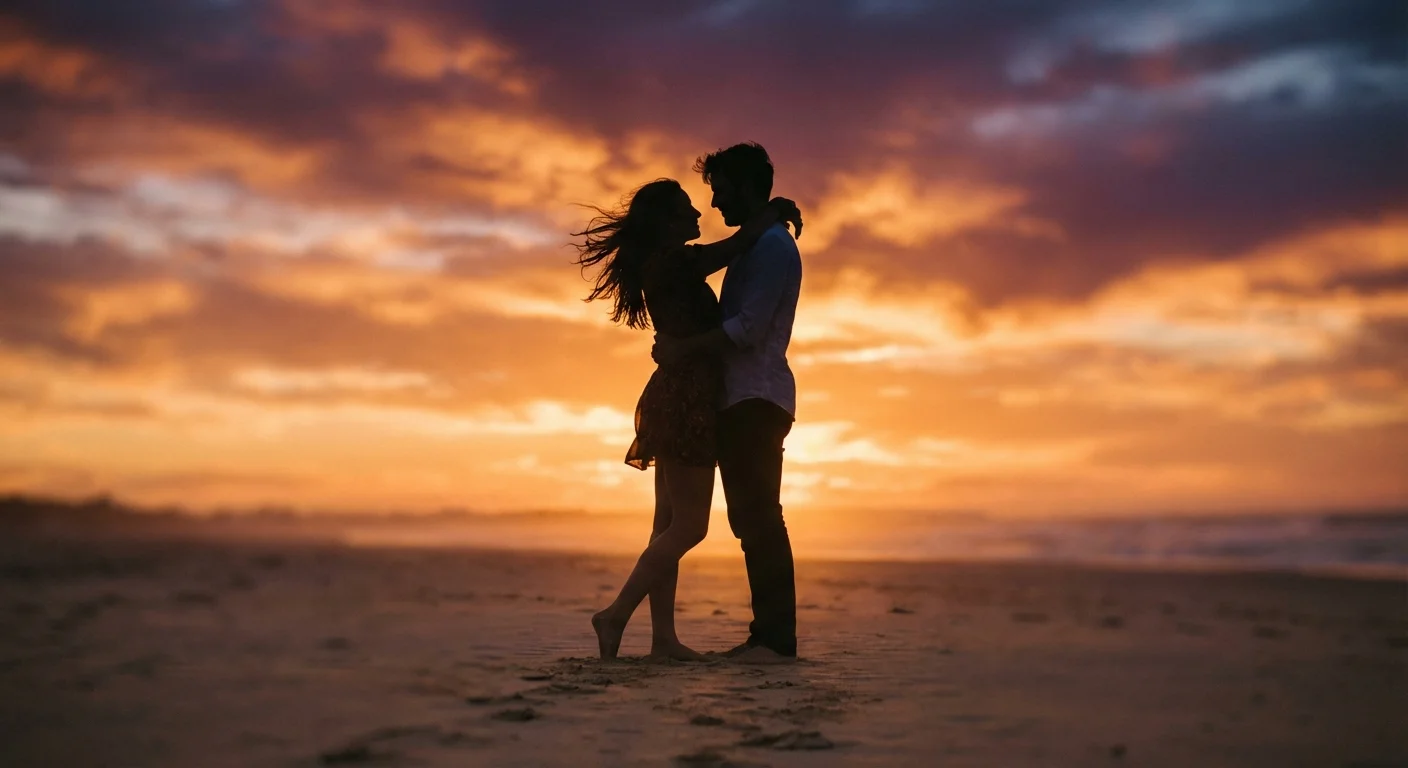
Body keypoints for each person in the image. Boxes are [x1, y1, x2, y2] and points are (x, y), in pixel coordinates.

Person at [572, 177, 802, 660]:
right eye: (687, 211)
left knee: (667, 524)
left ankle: (663, 641)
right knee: (690, 527)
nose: (699, 216)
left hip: (677, 393)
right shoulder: (675, 261)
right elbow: (739, 243)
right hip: (687, 399)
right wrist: (773, 207)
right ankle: (614, 615)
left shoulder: (664, 264)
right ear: (667, 222)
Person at [653, 143, 804, 664]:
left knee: (759, 517)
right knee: (750, 518)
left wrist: (680, 350)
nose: (713, 204)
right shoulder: (755, 243)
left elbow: (746, 329)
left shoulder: (771, 249)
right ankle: (767, 637)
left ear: (743, 188)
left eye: (719, 192)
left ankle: (775, 641)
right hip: (739, 396)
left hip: (755, 396)